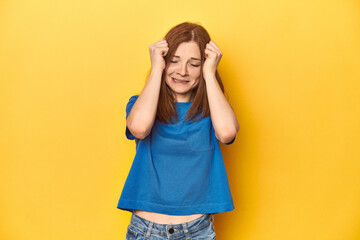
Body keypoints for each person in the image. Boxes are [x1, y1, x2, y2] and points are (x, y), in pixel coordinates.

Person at [117, 21, 239, 239]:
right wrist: (157, 68)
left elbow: (227, 132)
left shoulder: (213, 110)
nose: (182, 71)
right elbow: (139, 128)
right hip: (146, 230)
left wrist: (210, 74)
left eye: (194, 64)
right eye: (174, 61)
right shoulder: (140, 104)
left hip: (197, 230)